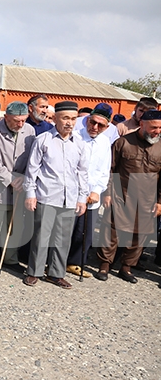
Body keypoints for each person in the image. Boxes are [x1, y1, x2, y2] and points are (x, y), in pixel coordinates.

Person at [22, 101, 88, 289]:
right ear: (56, 118)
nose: (70, 123)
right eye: (66, 118)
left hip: (69, 198)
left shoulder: (80, 144)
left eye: (73, 119)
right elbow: (32, 169)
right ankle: (34, 271)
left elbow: (83, 173)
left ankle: (56, 273)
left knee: (63, 238)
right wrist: (30, 193)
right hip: (46, 195)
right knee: (41, 236)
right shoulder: (43, 140)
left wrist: (82, 198)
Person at [96, 110, 161, 283]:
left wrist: (160, 203)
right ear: (142, 124)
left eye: (160, 128)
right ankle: (104, 265)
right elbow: (109, 169)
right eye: (154, 127)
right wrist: (107, 193)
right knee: (111, 232)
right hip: (121, 194)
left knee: (138, 236)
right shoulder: (122, 143)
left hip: (147, 199)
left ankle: (126, 268)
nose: (157, 131)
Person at [0, 101, 36, 271]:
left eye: (23, 121)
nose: (20, 124)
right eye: (16, 121)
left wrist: (24, 178)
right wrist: (9, 178)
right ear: (6, 117)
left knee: (15, 223)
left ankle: (10, 257)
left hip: (20, 186)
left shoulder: (30, 130)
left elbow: (32, 158)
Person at [66, 104, 111, 277]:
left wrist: (96, 191)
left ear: (107, 127)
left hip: (92, 196)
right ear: (87, 120)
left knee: (83, 234)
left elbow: (104, 170)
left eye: (101, 125)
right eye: (93, 122)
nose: (95, 127)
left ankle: (75, 262)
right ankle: (56, 261)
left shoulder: (105, 142)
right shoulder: (75, 137)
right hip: (73, 192)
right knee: (66, 230)